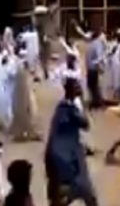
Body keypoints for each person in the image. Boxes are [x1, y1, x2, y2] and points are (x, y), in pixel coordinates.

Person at [44, 78, 97, 206]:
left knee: (60, 194)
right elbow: (86, 124)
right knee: (86, 190)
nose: (80, 89)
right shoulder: (70, 109)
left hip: (54, 153)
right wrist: (83, 102)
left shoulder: (60, 107)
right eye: (77, 87)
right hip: (67, 156)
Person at [9, 49, 42, 143]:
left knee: (24, 111)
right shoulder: (18, 65)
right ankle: (28, 133)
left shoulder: (17, 64)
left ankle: (23, 133)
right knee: (27, 111)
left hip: (20, 92)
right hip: (22, 91)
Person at [85, 28, 107, 110]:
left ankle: (97, 103)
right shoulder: (94, 44)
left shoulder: (94, 44)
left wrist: (98, 65)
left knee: (93, 86)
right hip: (92, 68)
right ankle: (96, 102)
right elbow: (98, 57)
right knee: (93, 86)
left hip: (92, 68)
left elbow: (99, 57)